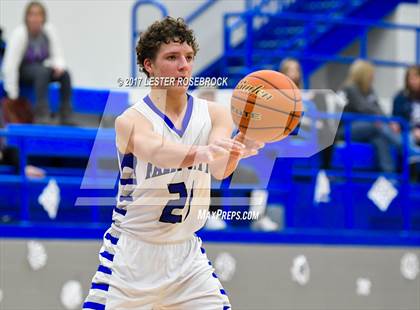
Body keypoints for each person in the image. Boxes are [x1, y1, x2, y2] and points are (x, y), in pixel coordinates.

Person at [83, 17, 263, 309]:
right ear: (149, 66)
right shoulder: (130, 120)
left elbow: (219, 169)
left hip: (186, 257)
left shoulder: (216, 113)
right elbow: (157, 152)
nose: (184, 65)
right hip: (132, 258)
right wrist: (201, 152)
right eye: (172, 57)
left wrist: (236, 147)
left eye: (189, 57)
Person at [1, 1, 73, 125]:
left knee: (65, 74)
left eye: (39, 15)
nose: (35, 18)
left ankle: (66, 115)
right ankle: (42, 115)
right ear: (26, 17)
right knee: (42, 71)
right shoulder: (20, 34)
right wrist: (13, 94)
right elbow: (10, 66)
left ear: (44, 17)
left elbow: (58, 54)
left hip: (40, 71)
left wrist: (59, 67)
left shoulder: (48, 32)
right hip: (23, 72)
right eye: (32, 14)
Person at [339, 59, 401, 173]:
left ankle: (389, 176)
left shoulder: (369, 90)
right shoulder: (350, 88)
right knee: (375, 125)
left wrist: (389, 121)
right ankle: (403, 147)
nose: (373, 77)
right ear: (363, 74)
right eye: (371, 74)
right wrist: (382, 120)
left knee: (379, 139)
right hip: (346, 129)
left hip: (368, 129)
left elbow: (378, 108)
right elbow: (363, 108)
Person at [392, 65, 420, 178]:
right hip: (408, 132)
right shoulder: (400, 97)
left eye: (416, 77)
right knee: (407, 139)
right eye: (410, 78)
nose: (412, 81)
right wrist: (413, 130)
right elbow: (397, 122)